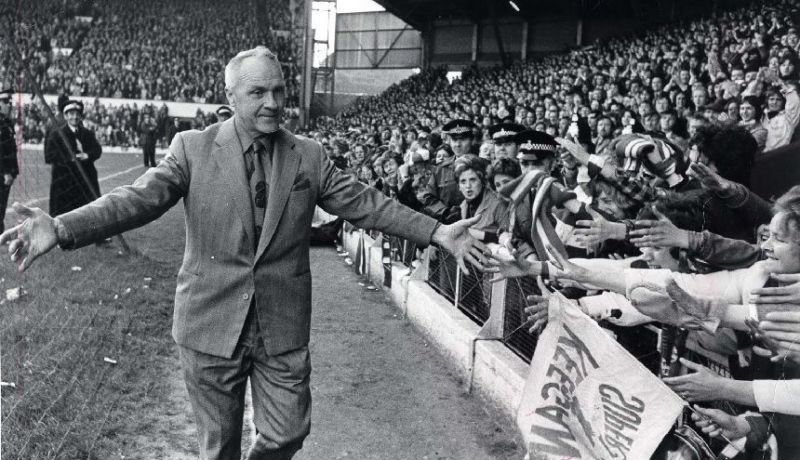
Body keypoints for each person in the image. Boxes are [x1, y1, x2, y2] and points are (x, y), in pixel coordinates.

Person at [0, 46, 487, 460]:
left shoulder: (308, 156)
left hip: (281, 323)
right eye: (258, 93)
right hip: (210, 324)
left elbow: (366, 204)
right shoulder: (192, 148)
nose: (273, 103)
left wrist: (438, 232)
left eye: (278, 90)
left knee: (287, 433)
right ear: (231, 98)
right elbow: (136, 199)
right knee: (220, 448)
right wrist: (61, 227)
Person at [44, 100, 103, 217]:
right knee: (63, 215)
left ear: (81, 116)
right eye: (71, 114)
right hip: (64, 181)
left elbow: (97, 149)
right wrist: (70, 158)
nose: (74, 117)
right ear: (65, 116)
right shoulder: (57, 134)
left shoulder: (87, 133)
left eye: (77, 114)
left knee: (87, 213)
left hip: (85, 179)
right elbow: (49, 155)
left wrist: (88, 155)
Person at [0, 90, 19, 233]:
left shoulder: (7, 122)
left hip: (8, 171)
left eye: (10, 102)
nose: (9, 105)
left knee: (2, 203)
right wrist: (6, 171)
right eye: (5, 102)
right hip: (2, 171)